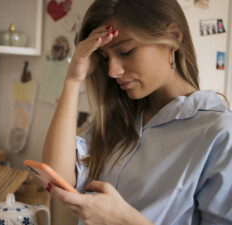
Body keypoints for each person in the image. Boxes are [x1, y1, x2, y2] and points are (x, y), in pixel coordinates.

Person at [41, 0, 232, 224]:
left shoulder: (219, 133)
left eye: (125, 51)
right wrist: (73, 79)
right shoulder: (118, 120)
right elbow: (57, 177)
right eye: (105, 58)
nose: (112, 71)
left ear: (173, 37)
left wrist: (125, 220)